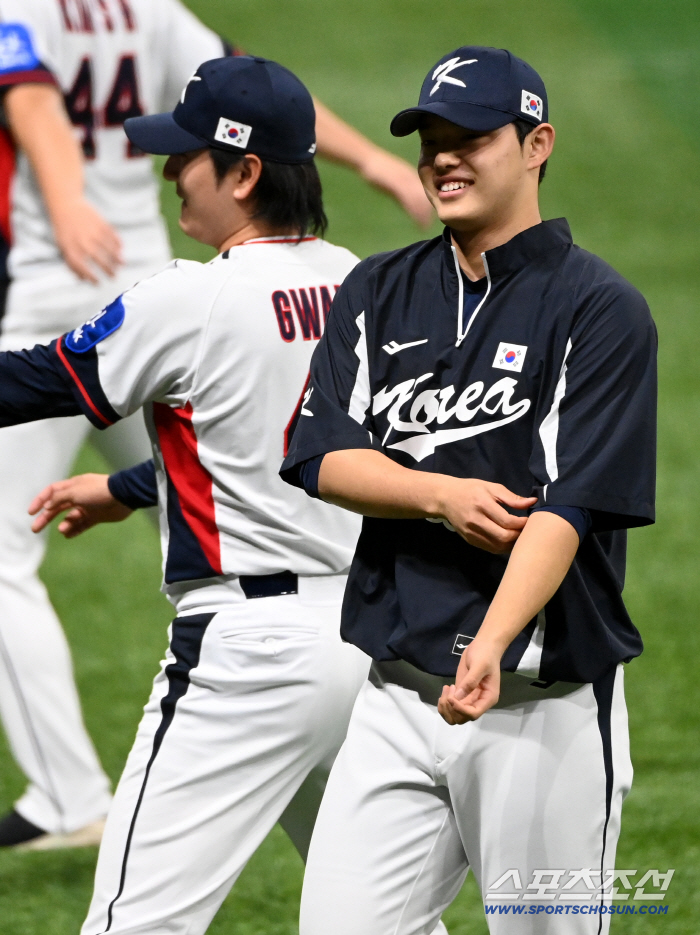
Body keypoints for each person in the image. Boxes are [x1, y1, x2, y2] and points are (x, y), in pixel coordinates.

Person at [0, 54, 450, 935]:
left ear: (245, 173)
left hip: (250, 657)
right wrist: (133, 487)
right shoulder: (365, 283)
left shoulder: (191, 296)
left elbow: (34, 384)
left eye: (188, 158)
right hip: (369, 645)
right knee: (382, 922)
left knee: (135, 922)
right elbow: (290, 442)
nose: (170, 174)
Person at [280, 46, 657, 934]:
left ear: (537, 144)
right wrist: (439, 494)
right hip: (394, 698)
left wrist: (490, 642)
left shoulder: (599, 308)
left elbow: (572, 507)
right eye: (431, 140)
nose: (444, 157)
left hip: (541, 706)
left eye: (471, 138)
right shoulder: (378, 289)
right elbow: (319, 454)